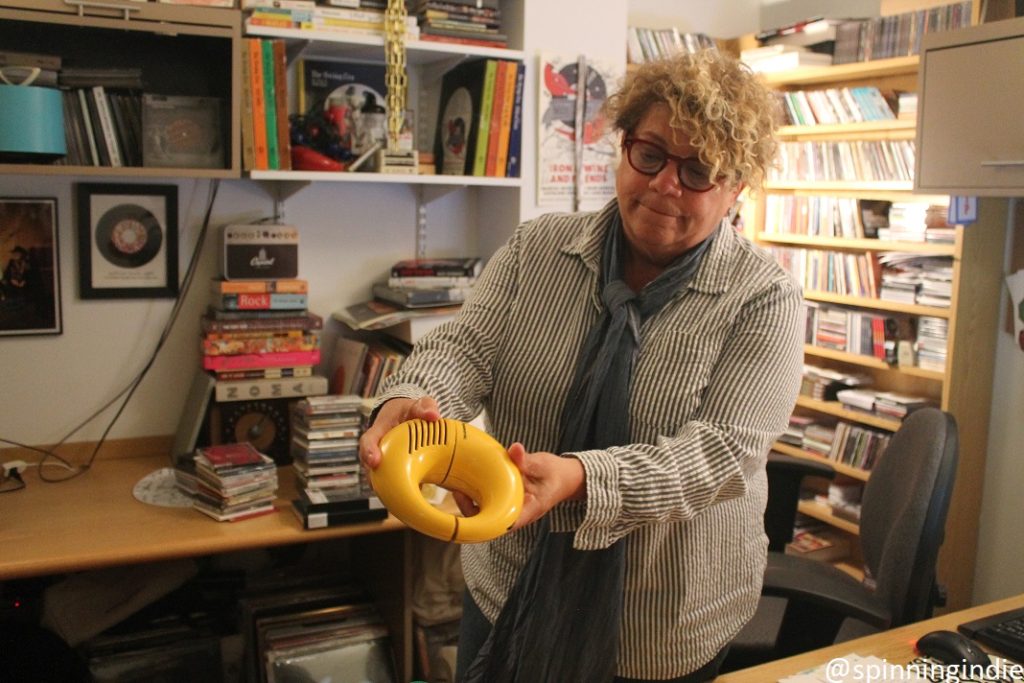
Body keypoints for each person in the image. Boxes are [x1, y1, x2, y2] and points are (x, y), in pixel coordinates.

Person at [359, 48, 803, 682]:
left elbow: (723, 454)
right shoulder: (536, 247)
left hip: (660, 620)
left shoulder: (766, 299)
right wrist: (412, 399)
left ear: (736, 187)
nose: (663, 184)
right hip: (510, 580)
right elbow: (464, 348)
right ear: (622, 147)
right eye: (649, 154)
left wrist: (581, 479)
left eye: (699, 170)